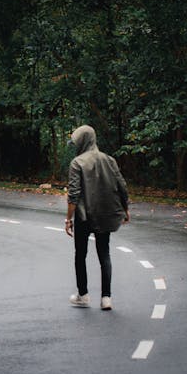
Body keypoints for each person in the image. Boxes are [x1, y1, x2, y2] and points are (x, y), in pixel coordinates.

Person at [65, 124, 130, 310]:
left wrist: (68, 219)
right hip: (105, 213)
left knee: (80, 255)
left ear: (83, 141)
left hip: (83, 216)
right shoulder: (109, 160)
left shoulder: (77, 163)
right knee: (104, 254)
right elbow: (122, 186)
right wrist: (125, 208)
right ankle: (106, 298)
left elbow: (74, 195)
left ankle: (83, 295)